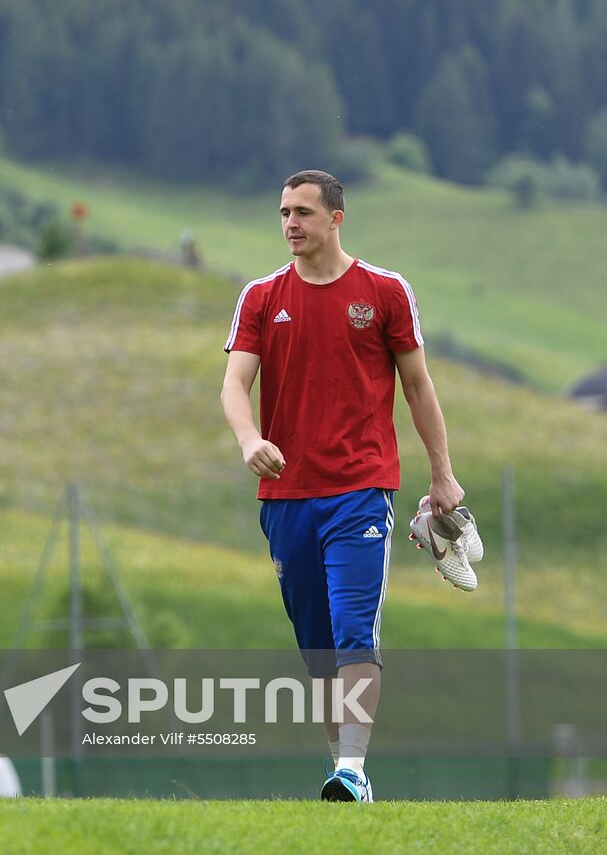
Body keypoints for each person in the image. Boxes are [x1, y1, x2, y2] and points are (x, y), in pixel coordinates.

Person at [219, 169, 475, 802]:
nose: (290, 224)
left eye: (303, 212)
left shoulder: (385, 292)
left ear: (337, 218)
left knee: (354, 629)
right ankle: (345, 769)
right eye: (283, 213)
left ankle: (353, 771)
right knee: (317, 646)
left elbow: (418, 386)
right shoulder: (259, 297)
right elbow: (233, 384)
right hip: (284, 498)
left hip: (361, 490)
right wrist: (250, 440)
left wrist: (442, 475)